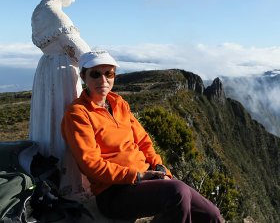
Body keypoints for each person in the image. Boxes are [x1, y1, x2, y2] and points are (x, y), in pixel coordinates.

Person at [61, 50, 224, 222]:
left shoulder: (119, 104)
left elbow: (143, 141)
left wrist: (160, 167)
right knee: (177, 193)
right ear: (83, 77)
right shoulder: (78, 114)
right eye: (95, 74)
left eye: (109, 73)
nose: (103, 80)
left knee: (212, 214)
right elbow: (91, 165)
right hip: (113, 192)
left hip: (145, 177)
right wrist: (137, 176)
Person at [30, 0, 91, 195]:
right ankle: (64, 183)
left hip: (47, 71)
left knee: (48, 121)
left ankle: (46, 177)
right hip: (61, 72)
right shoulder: (54, 13)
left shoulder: (39, 10)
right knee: (62, 122)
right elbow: (80, 50)